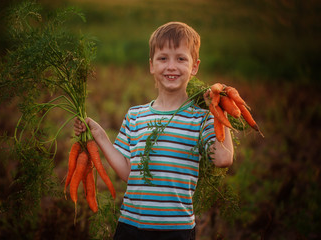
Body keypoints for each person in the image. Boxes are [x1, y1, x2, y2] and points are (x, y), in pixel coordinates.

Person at [74, 21, 233, 240]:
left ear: (194, 67)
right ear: (151, 65)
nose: (171, 66)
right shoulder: (136, 115)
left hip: (177, 230)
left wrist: (219, 110)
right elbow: (127, 172)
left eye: (180, 59)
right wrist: (99, 135)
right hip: (131, 225)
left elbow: (223, 158)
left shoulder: (200, 118)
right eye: (163, 58)